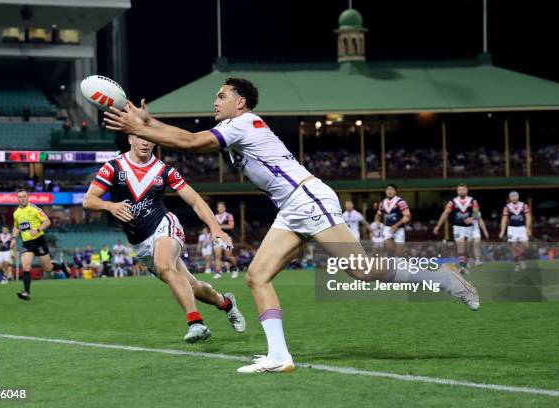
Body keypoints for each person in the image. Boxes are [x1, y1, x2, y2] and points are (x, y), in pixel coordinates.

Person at [104, 76, 479, 373]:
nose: (215, 101)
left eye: (222, 96)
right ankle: (279, 356)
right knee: (256, 277)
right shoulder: (238, 126)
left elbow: (188, 141)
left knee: (362, 271)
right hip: (292, 208)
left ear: (240, 102)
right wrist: (147, 122)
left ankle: (442, 276)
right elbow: (182, 136)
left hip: (307, 198)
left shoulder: (243, 123)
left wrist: (145, 127)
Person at [82, 134, 246, 343]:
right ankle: (226, 303)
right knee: (191, 286)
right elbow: (88, 201)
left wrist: (215, 227)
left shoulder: (164, 171)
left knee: (164, 265)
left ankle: (196, 323)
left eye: (149, 137)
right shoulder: (113, 167)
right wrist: (109, 205)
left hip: (164, 225)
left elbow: (195, 200)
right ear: (130, 139)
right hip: (140, 243)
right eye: (140, 137)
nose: (145, 142)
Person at [12, 188, 68, 300]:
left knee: (48, 268)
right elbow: (16, 226)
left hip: (39, 241)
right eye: (20, 197)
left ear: (27, 197)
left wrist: (37, 230)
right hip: (27, 243)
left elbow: (47, 221)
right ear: (17, 199)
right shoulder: (16, 213)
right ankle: (27, 293)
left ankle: (61, 266)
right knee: (26, 266)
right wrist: (13, 238)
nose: (22, 199)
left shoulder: (34, 208)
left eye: (24, 196)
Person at [433, 184, 479, 275]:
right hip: (457, 227)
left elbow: (476, 213)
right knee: (460, 246)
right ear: (457, 191)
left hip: (469, 228)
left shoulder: (472, 201)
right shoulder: (452, 202)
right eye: (459, 190)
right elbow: (445, 213)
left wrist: (472, 218)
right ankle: (463, 267)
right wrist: (438, 225)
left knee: (467, 248)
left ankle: (466, 262)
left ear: (467, 190)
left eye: (463, 189)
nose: (461, 191)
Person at [499, 191, 532, 271]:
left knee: (526, 245)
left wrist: (528, 228)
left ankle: (521, 258)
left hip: (522, 228)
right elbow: (504, 219)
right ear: (510, 198)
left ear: (518, 196)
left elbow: (528, 217)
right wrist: (502, 231)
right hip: (511, 229)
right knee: (513, 247)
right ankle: (517, 264)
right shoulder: (507, 207)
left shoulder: (524, 205)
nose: (514, 197)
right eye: (512, 196)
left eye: (516, 196)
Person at [375, 184, 411, 256]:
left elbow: (408, 216)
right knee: (388, 247)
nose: (389, 191)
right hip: (388, 228)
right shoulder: (382, 203)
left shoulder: (400, 202)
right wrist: (377, 221)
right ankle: (393, 261)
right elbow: (378, 214)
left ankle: (405, 256)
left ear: (395, 192)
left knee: (399, 253)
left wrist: (396, 225)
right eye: (388, 189)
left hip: (399, 228)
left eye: (391, 189)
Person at [213, 201, 239, 279]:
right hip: (218, 238)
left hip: (227, 238)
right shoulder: (215, 216)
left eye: (221, 207)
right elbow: (213, 228)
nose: (220, 208)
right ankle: (218, 272)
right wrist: (213, 236)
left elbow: (231, 226)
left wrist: (220, 227)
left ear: (224, 208)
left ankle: (234, 269)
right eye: (219, 207)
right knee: (217, 255)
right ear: (217, 208)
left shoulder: (229, 216)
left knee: (228, 256)